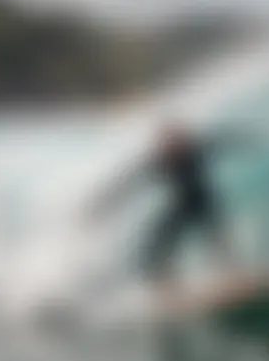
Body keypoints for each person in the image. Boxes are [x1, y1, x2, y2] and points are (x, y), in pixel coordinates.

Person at [84, 120, 253, 281]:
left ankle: (235, 273)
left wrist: (248, 140)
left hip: (203, 202)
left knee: (217, 239)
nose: (174, 145)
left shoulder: (195, 150)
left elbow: (224, 142)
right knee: (162, 239)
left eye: (178, 140)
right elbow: (129, 184)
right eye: (169, 142)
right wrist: (102, 205)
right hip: (183, 205)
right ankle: (164, 279)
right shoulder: (162, 161)